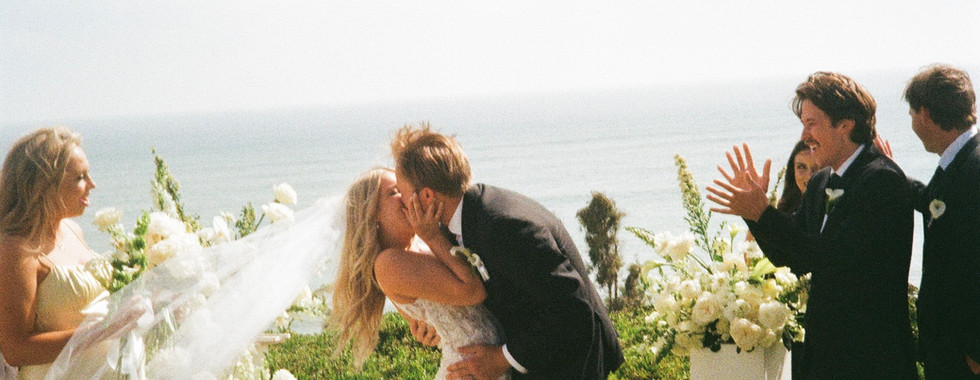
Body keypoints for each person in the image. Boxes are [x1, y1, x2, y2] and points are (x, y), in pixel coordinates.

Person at [706, 72, 918, 379]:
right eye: (803, 124)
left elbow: (831, 258)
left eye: (812, 123)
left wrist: (764, 213)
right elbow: (791, 257)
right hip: (824, 361)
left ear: (846, 124)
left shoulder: (881, 180)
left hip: (872, 361)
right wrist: (753, 212)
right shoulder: (821, 182)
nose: (805, 135)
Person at [390, 123, 623, 379]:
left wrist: (502, 358)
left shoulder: (503, 227)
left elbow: (572, 307)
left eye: (402, 193)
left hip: (572, 362)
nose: (401, 202)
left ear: (426, 196)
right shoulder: (461, 222)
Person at [332, 167, 508, 379]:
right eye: (395, 192)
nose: (409, 196)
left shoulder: (419, 244)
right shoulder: (388, 263)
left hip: (488, 364)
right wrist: (432, 235)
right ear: (372, 214)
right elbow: (473, 291)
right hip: (468, 371)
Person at [0, 127, 108, 379]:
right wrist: (106, 329)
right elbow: (16, 349)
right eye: (80, 177)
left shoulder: (73, 230)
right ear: (44, 185)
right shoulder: (17, 250)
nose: (92, 184)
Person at [904, 64, 980, 379]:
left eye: (910, 114)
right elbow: (944, 210)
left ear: (923, 114)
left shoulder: (974, 167)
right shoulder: (959, 161)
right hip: (949, 350)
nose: (911, 123)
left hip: (964, 357)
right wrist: (896, 177)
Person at [776, 140, 821, 214]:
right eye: (801, 167)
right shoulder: (784, 212)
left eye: (816, 168)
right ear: (793, 171)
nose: (809, 176)